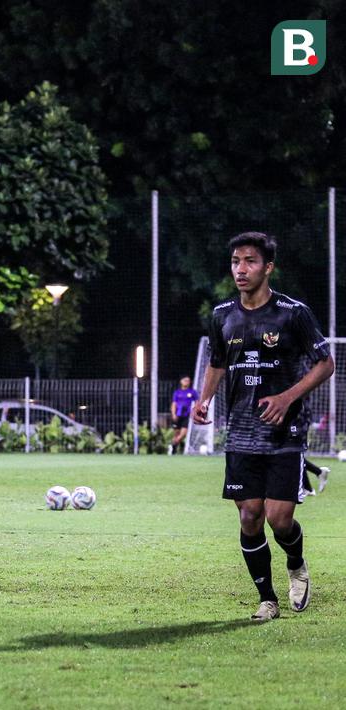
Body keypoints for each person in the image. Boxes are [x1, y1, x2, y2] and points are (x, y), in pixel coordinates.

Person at [192, 232, 334, 622]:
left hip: (285, 430)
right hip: (240, 431)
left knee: (279, 519)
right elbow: (218, 361)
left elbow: (326, 363)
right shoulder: (222, 314)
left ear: (268, 267)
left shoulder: (293, 313)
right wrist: (204, 399)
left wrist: (288, 397)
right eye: (236, 261)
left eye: (250, 261)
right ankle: (266, 599)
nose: (241, 269)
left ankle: (297, 563)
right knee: (249, 516)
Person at [169, 376, 197, 454]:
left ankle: (173, 445)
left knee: (183, 434)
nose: (186, 382)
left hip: (187, 416)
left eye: (188, 380)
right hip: (178, 415)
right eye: (185, 380)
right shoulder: (177, 392)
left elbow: (197, 402)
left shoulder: (192, 392)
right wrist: (173, 414)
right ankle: (174, 449)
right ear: (181, 381)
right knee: (176, 434)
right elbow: (174, 404)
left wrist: (194, 411)